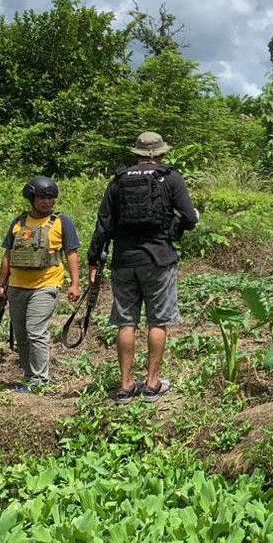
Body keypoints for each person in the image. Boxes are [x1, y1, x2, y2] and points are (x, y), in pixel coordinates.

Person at [87, 132, 198, 404]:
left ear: (136, 153)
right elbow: (189, 216)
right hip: (159, 259)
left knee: (126, 321)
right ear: (161, 153)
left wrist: (93, 260)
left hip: (124, 261)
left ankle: (125, 385)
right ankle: (152, 383)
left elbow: (103, 224)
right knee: (157, 321)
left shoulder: (118, 181)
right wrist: (173, 232)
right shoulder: (170, 177)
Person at [0, 176, 82, 391]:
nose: (47, 201)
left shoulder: (62, 222)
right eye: (42, 197)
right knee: (21, 334)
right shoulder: (18, 222)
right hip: (17, 287)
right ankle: (29, 378)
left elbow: (71, 254)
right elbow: (8, 255)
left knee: (35, 331)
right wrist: (1, 283)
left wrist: (74, 284)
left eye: (50, 198)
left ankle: (40, 380)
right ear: (31, 198)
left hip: (46, 285)